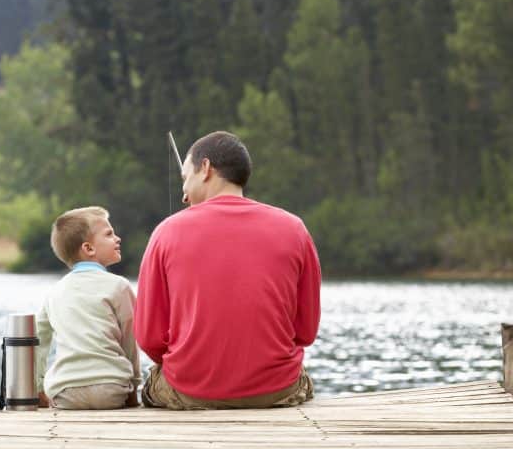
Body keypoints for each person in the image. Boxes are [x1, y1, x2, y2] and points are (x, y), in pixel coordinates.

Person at [135, 131, 321, 410]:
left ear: (206, 168)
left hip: (191, 391)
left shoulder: (166, 232)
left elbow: (149, 338)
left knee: (150, 385)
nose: (183, 196)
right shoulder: (294, 228)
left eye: (185, 178)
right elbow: (305, 332)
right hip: (276, 390)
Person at [35, 206, 140, 409]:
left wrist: (37, 388)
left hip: (65, 391)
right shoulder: (119, 286)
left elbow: (39, 340)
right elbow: (130, 340)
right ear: (89, 248)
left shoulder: (54, 292)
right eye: (109, 234)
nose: (117, 238)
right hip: (111, 389)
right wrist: (134, 386)